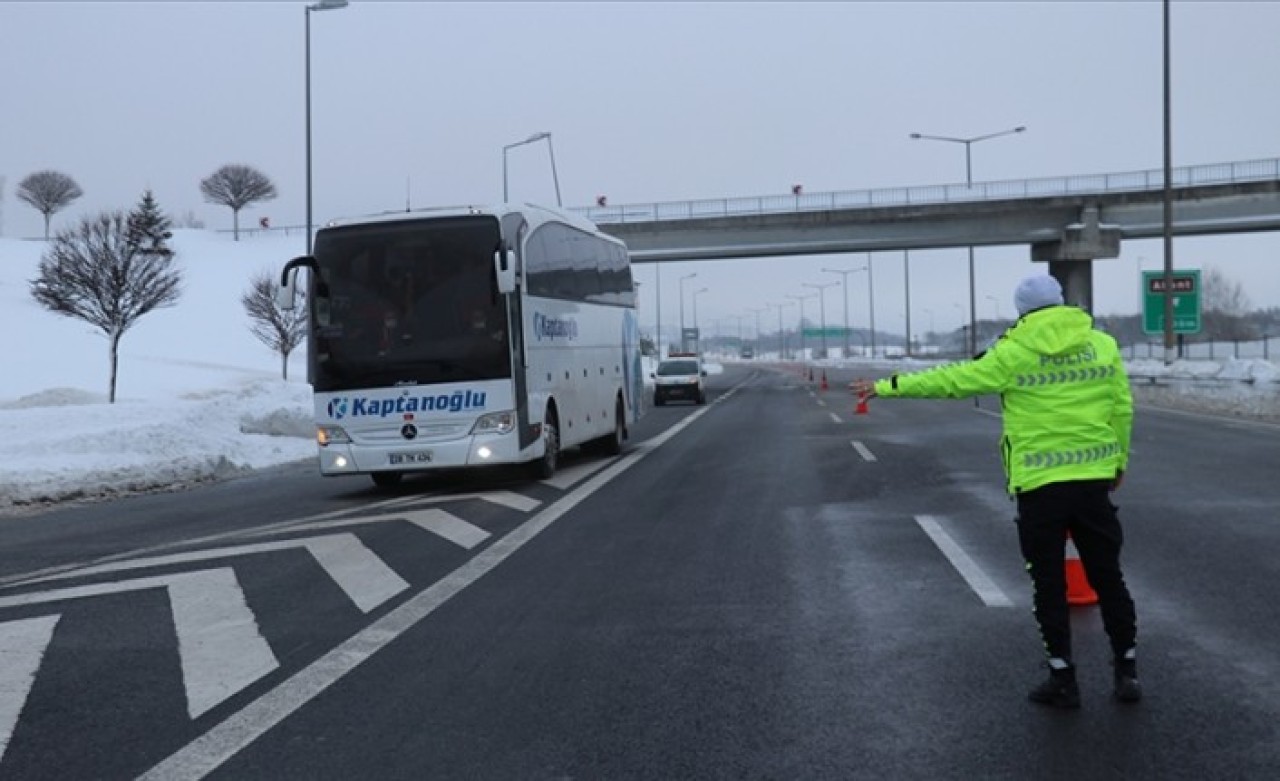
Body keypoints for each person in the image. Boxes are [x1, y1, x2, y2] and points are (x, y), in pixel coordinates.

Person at [852, 273, 1140, 709]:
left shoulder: (1013, 351)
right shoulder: (1103, 345)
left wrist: (886, 386)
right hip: (1093, 480)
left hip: (1040, 486)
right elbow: (1121, 407)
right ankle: (1127, 671)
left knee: (1048, 585)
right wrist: (1117, 461)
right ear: (1062, 302)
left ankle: (1063, 679)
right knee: (1108, 577)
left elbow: (955, 380)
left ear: (1022, 310)